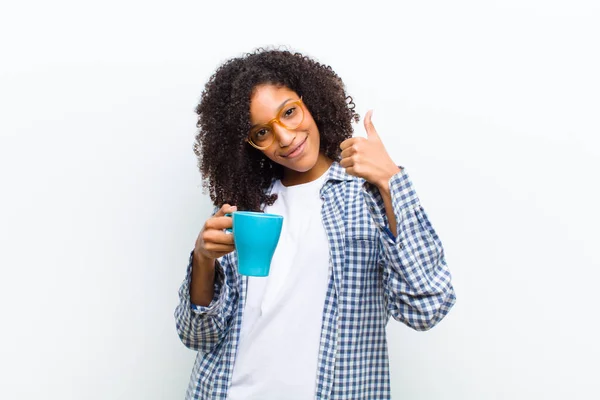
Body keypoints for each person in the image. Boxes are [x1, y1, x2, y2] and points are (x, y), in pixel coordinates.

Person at [174, 48, 456, 400]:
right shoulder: (246, 207)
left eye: (289, 112)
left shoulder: (367, 194)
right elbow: (198, 337)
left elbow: (426, 307)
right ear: (247, 145)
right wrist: (203, 259)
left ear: (312, 100)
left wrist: (391, 181)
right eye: (261, 133)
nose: (286, 138)